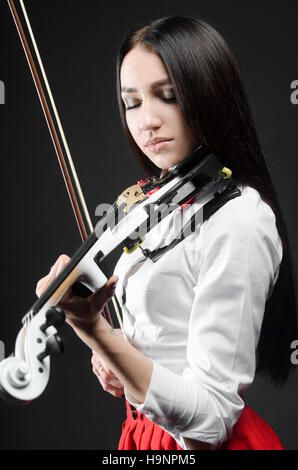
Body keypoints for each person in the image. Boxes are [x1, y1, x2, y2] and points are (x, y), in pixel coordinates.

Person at [36, 15, 297, 450]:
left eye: (168, 96)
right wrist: (116, 355)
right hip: (140, 439)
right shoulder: (161, 204)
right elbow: (161, 343)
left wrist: (93, 331)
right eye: (132, 102)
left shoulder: (239, 217)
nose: (147, 121)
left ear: (209, 96)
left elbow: (210, 424)